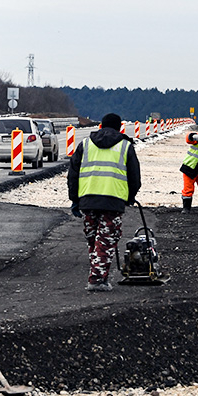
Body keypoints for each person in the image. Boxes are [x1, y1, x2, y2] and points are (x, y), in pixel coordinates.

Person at [68, 113, 141, 292]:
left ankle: (98, 275)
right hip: (113, 201)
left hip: (87, 200)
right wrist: (130, 198)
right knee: (106, 240)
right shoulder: (125, 146)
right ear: (119, 128)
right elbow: (135, 178)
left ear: (100, 126)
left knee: (94, 241)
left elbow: (73, 174)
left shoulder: (85, 144)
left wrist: (75, 200)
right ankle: (97, 280)